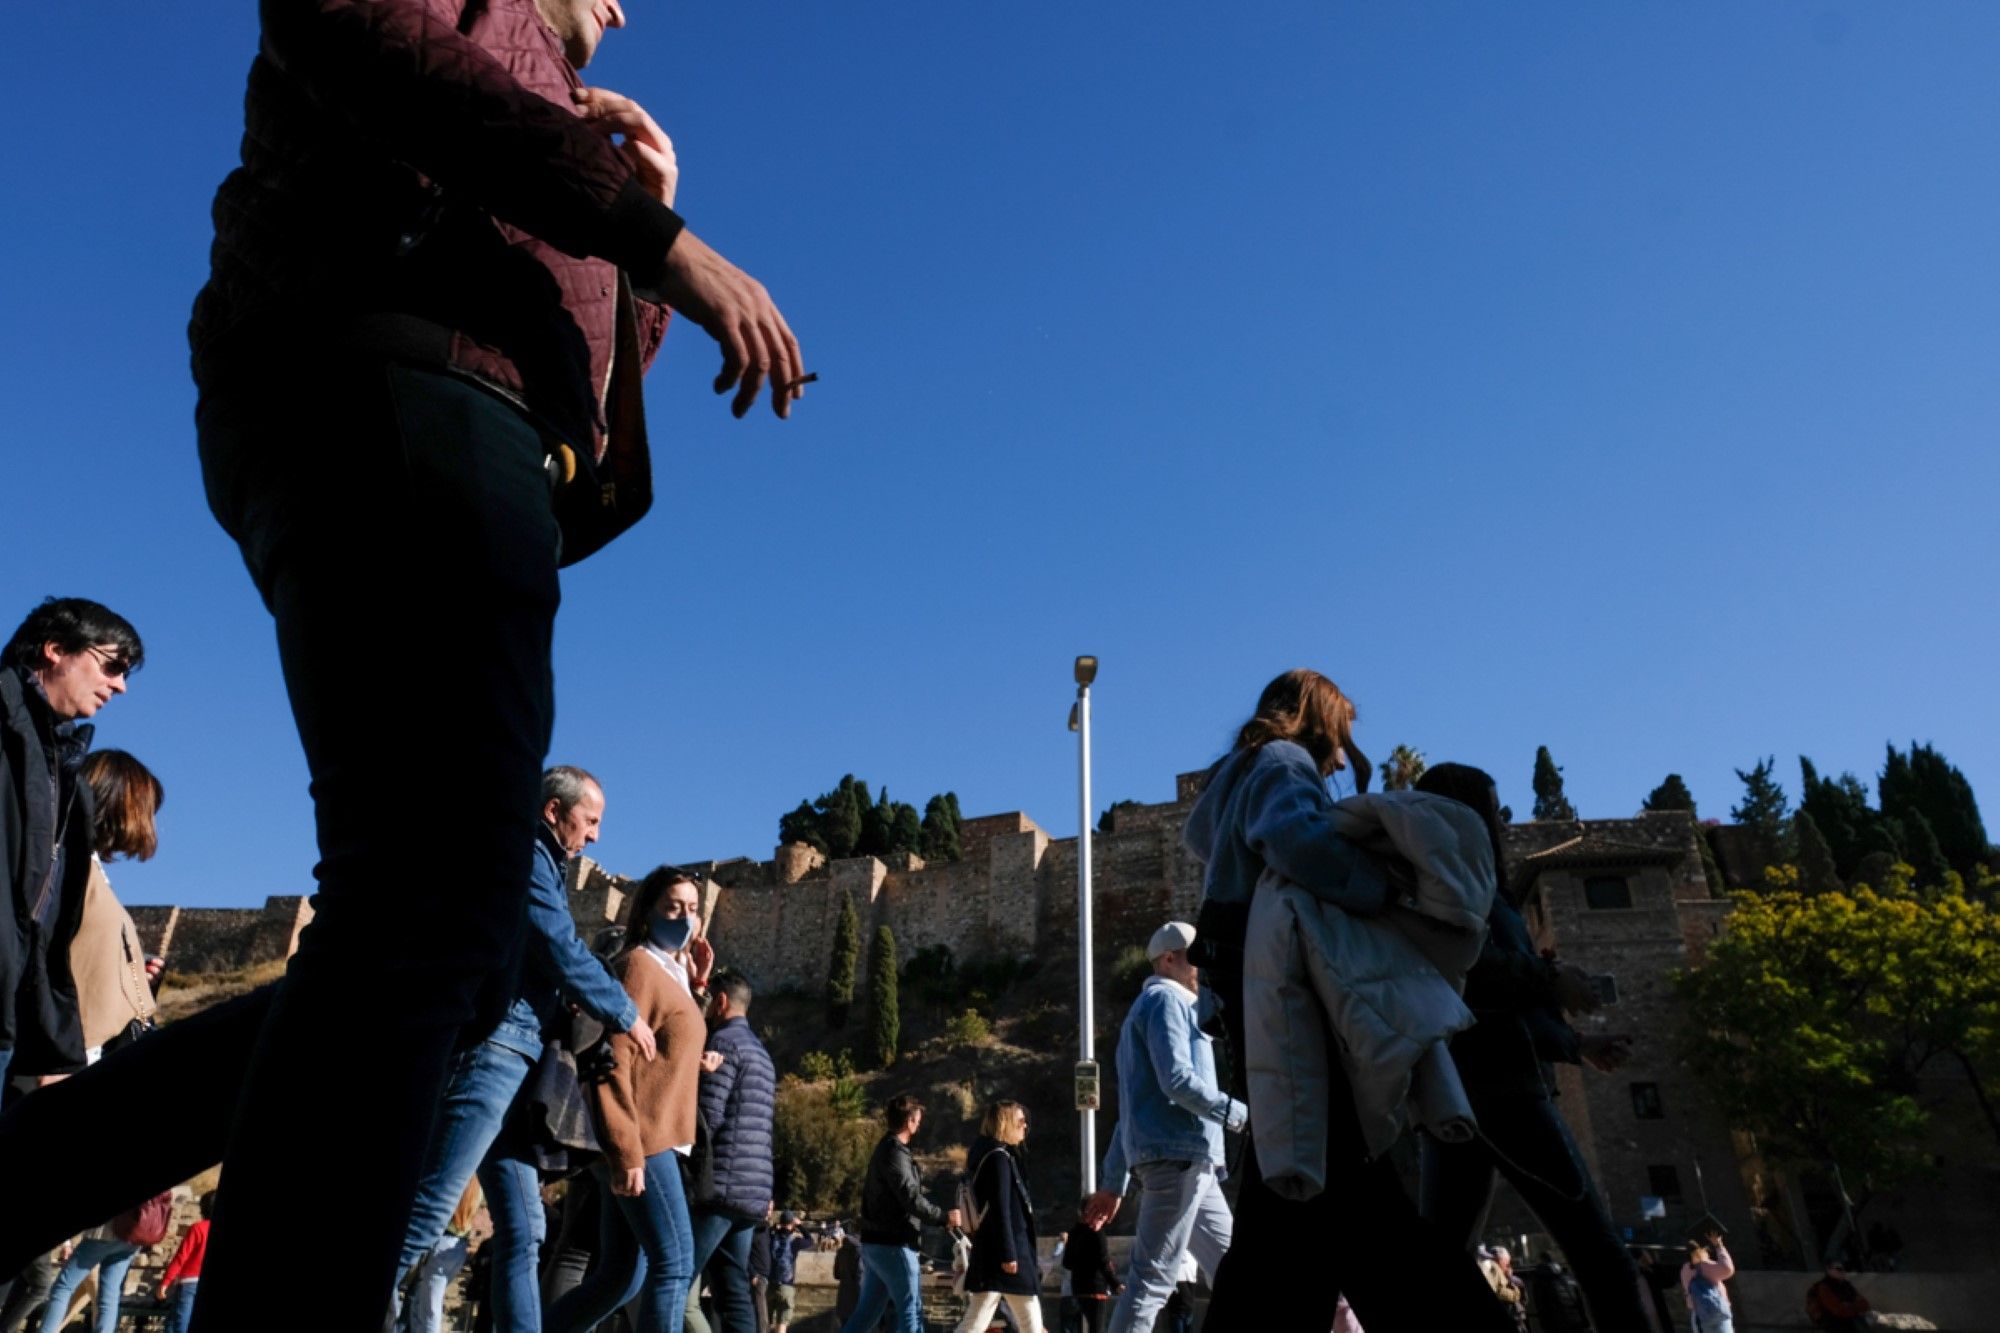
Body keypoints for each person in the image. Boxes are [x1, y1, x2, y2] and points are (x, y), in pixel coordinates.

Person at [0, 0, 807, 1319]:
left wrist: (640, 250)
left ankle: (27, 1178)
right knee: (433, 913)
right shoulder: (478, 39)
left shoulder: (561, 115)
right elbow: (401, 65)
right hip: (396, 400)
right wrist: (666, 237)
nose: (625, 3)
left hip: (469, 436)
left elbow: (569, 345)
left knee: (450, 938)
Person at [1174, 668, 1512, 1333]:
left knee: (1301, 1201)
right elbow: (1296, 839)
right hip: (1294, 993)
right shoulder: (1282, 759)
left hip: (1256, 991)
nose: (1343, 750)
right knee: (1348, 1188)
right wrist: (1383, 889)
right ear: (1316, 717)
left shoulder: (1241, 774)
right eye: (1343, 730)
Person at [386, 765, 655, 1332]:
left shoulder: (545, 864)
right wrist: (623, 1010)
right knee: (430, 1209)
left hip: (515, 1059)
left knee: (526, 1231)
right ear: (554, 811)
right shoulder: (528, 857)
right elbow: (555, 942)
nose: (597, 836)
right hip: (494, 1055)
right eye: (591, 820)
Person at [1411, 762, 1653, 1333]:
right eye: (1494, 810)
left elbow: (1493, 999)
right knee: (1600, 1256)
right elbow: (1471, 971)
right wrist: (1550, 980)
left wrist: (1574, 1041)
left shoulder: (1450, 882)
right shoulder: (1458, 885)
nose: (1503, 821)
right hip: (1506, 1094)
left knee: (1439, 1259)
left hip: (1461, 1092)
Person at [547, 867, 711, 1331]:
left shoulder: (672, 973)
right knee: (675, 1264)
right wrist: (625, 1147)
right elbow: (612, 1056)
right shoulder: (639, 965)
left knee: (621, 1275)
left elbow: (672, 1046)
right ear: (648, 911)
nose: (684, 918)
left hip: (652, 1139)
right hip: (643, 1137)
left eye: (694, 909)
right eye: (673, 907)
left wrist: (697, 987)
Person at [0, 599, 142, 1094]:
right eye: (113, 666)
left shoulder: (64, 776)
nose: (120, 685)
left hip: (14, 1026)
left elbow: (42, 928)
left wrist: (51, 1046)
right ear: (56, 650)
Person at [1080, 922, 1242, 1333]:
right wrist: (1242, 1116)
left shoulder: (1149, 1008)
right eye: (1194, 956)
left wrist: (1114, 1180)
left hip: (1188, 1160)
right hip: (1181, 1158)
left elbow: (1131, 1112)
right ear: (1169, 959)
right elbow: (1179, 1081)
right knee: (1152, 1280)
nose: (1201, 968)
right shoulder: (1168, 1002)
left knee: (1234, 1271)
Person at [687, 969, 778, 1333]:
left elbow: (709, 1116)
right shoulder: (763, 1055)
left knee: (675, 1277)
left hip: (720, 1185)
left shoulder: (723, 1044)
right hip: (752, 1192)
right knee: (732, 1286)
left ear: (720, 1001)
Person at [69, 752, 164, 1064]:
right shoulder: (69, 866)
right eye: (145, 807)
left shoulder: (93, 872)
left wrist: (133, 976)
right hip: (72, 1056)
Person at [843, 1094, 961, 1333]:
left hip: (877, 1243)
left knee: (866, 1315)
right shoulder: (895, 1153)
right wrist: (943, 1217)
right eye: (917, 1118)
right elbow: (910, 1197)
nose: (920, 1122)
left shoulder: (888, 1150)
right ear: (909, 1120)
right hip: (894, 1244)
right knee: (912, 1313)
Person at [952, 1101, 1042, 1333]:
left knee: (975, 1321)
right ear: (1006, 1123)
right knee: (1031, 1322)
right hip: (1008, 1254)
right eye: (1020, 1121)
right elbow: (1001, 1209)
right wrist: (1009, 1254)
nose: (1025, 1126)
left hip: (992, 1253)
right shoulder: (998, 1158)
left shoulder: (987, 1154)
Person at [405, 1180, 483, 1333]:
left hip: (445, 1240)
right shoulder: (477, 1186)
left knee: (428, 1305)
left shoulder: (459, 1184)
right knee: (425, 1300)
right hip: (459, 1243)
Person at [157, 1192, 216, 1333]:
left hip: (189, 1283)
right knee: (173, 1323)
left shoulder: (198, 1228)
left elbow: (181, 1257)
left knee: (180, 1323)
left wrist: (165, 1282)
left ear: (203, 1208)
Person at [1058, 1208, 1118, 1333]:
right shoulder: (1098, 1233)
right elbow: (1104, 1262)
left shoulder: (1074, 1233)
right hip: (1096, 1288)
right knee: (1097, 1328)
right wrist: (1116, 1284)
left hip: (1078, 1289)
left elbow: (1067, 1263)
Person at [1681, 1234, 1736, 1333]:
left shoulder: (1685, 1269)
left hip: (1698, 1315)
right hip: (1717, 1313)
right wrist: (1719, 1246)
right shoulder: (1705, 1266)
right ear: (1703, 1250)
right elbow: (1728, 1269)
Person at [766, 1211, 807, 1333]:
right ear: (792, 1224)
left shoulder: (771, 1238)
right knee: (782, 1323)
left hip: (770, 1285)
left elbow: (764, 1234)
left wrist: (774, 1227)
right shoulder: (795, 1241)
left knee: (765, 1322)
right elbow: (810, 1240)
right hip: (786, 1285)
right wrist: (799, 1226)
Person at [1805, 1259, 1872, 1332]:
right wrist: (1853, 1307)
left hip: (1847, 1318)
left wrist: (1850, 1306)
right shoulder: (1824, 1287)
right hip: (1831, 1321)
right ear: (1829, 1270)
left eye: (1844, 1269)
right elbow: (1837, 1309)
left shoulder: (1846, 1286)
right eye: (1838, 1269)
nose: (1843, 1271)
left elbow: (1865, 1304)